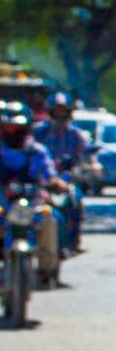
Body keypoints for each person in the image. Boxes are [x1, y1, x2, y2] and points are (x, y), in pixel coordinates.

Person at [0, 104, 64, 281]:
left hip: (32, 202)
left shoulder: (37, 151)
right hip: (2, 204)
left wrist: (55, 183)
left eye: (17, 127)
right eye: (8, 126)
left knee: (50, 218)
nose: (13, 131)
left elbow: (50, 174)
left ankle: (47, 269)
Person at [32, 92, 91, 254]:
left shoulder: (77, 135)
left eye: (63, 111)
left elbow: (87, 156)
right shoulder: (37, 133)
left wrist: (89, 166)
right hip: (39, 181)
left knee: (74, 199)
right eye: (56, 111)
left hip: (66, 180)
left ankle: (71, 242)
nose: (60, 115)